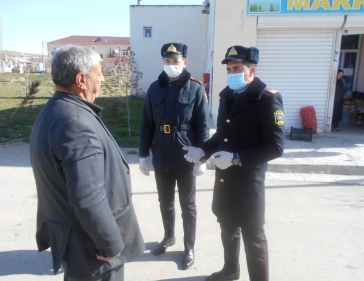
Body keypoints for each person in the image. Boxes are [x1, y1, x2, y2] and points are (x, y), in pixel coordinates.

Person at [29, 45, 144, 281]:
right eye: (99, 72)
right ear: (82, 79)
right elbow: (87, 196)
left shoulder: (56, 109)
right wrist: (110, 243)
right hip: (93, 248)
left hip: (76, 237)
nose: (102, 78)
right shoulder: (75, 123)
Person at [183, 45, 284, 281]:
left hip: (248, 181)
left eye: (236, 68)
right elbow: (222, 136)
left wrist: (237, 159)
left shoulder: (267, 99)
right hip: (224, 177)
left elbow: (276, 147)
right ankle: (231, 270)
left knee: (253, 237)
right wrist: (202, 150)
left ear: (251, 70)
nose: (231, 73)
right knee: (227, 229)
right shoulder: (227, 95)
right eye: (229, 69)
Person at [138, 43, 210, 269]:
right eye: (167, 61)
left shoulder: (195, 88)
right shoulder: (154, 89)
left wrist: (202, 157)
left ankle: (189, 246)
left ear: (185, 62)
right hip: (161, 155)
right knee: (165, 202)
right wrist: (142, 155)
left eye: (175, 61)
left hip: (186, 156)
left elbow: (202, 126)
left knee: (188, 206)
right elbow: (147, 124)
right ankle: (169, 237)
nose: (171, 65)